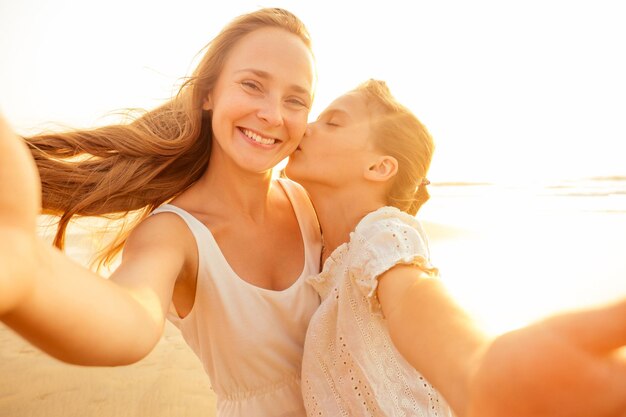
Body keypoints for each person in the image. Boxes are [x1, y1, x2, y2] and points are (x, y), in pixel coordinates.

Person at [0, 8, 322, 417]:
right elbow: (130, 318)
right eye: (252, 85)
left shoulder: (311, 205)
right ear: (209, 93)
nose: (273, 115)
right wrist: (26, 270)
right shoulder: (175, 234)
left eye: (295, 100)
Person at [284, 79, 626, 417]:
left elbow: (411, 294)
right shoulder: (321, 251)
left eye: (333, 122)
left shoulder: (383, 233)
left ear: (379, 167)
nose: (307, 128)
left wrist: (473, 368)